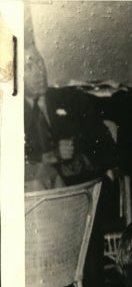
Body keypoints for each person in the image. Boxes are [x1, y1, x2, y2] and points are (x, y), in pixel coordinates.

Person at [23, 44, 118, 189]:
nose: (39, 72)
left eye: (39, 62)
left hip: (85, 189)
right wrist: (51, 157)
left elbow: (108, 148)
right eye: (28, 67)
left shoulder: (73, 99)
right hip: (41, 199)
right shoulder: (10, 117)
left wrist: (83, 161)